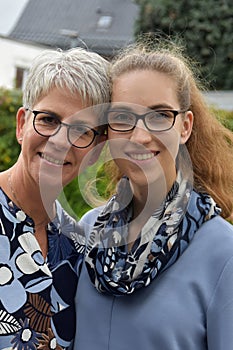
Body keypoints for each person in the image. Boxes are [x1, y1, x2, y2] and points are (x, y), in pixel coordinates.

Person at [73, 39, 233, 350]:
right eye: (122, 118)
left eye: (160, 116)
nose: (141, 136)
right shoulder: (89, 230)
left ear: (185, 127)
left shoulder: (224, 253)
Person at [0, 47, 110, 349]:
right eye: (48, 119)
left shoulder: (77, 245)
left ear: (97, 148)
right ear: (22, 124)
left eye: (81, 130)